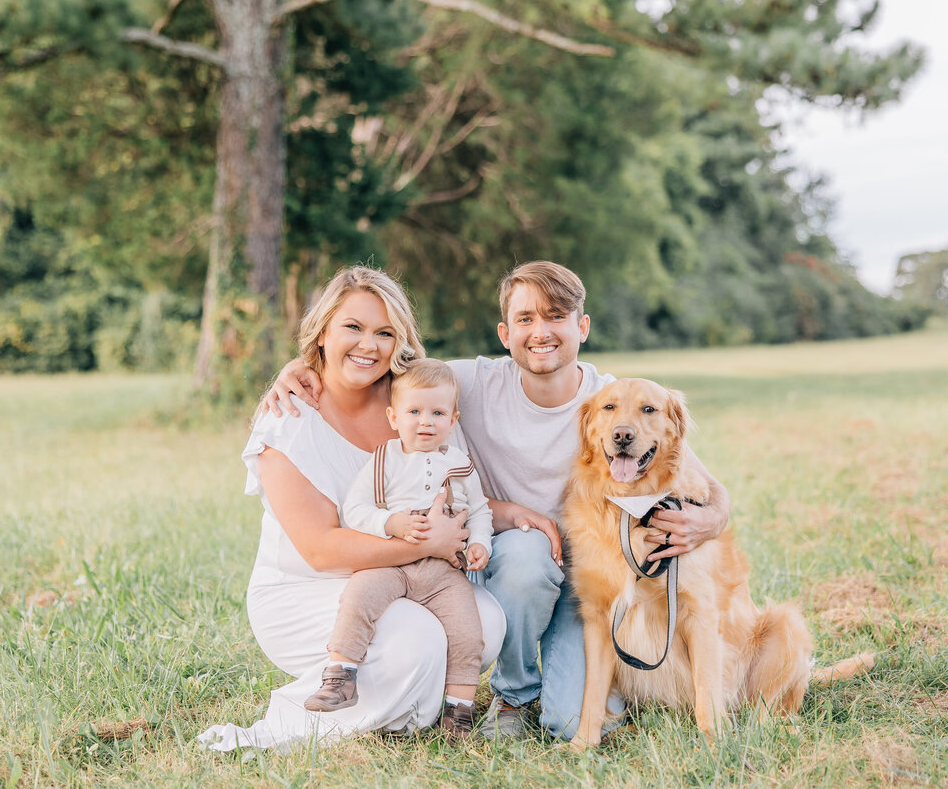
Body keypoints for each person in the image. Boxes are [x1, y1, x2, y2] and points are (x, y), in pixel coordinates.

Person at [265, 261, 729, 741]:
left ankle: (595, 686)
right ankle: (514, 694)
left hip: (590, 581)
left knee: (571, 723)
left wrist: (711, 519)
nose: (541, 332)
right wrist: (304, 365)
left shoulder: (611, 400)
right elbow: (391, 372)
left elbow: (707, 483)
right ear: (505, 333)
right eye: (526, 319)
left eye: (556, 316)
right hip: (514, 565)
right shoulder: (472, 382)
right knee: (526, 555)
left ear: (582, 327)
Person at [197, 267, 505, 752]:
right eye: (353, 327)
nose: (369, 345)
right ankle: (312, 716)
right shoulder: (289, 419)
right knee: (419, 640)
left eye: (385, 333)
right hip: (306, 588)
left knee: (486, 621)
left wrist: (517, 516)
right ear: (322, 332)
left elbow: (459, 493)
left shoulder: (416, 402)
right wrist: (423, 542)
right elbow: (321, 550)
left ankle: (406, 706)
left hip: (414, 576)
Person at [305, 358, 493, 739]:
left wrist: (479, 541)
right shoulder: (383, 460)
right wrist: (389, 523)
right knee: (359, 596)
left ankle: (458, 711)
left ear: (453, 420)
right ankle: (340, 674)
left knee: (468, 630)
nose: (426, 422)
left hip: (443, 572)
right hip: (389, 560)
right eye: (414, 412)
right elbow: (354, 509)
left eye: (437, 413)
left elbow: (481, 510)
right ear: (394, 417)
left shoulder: (460, 465)